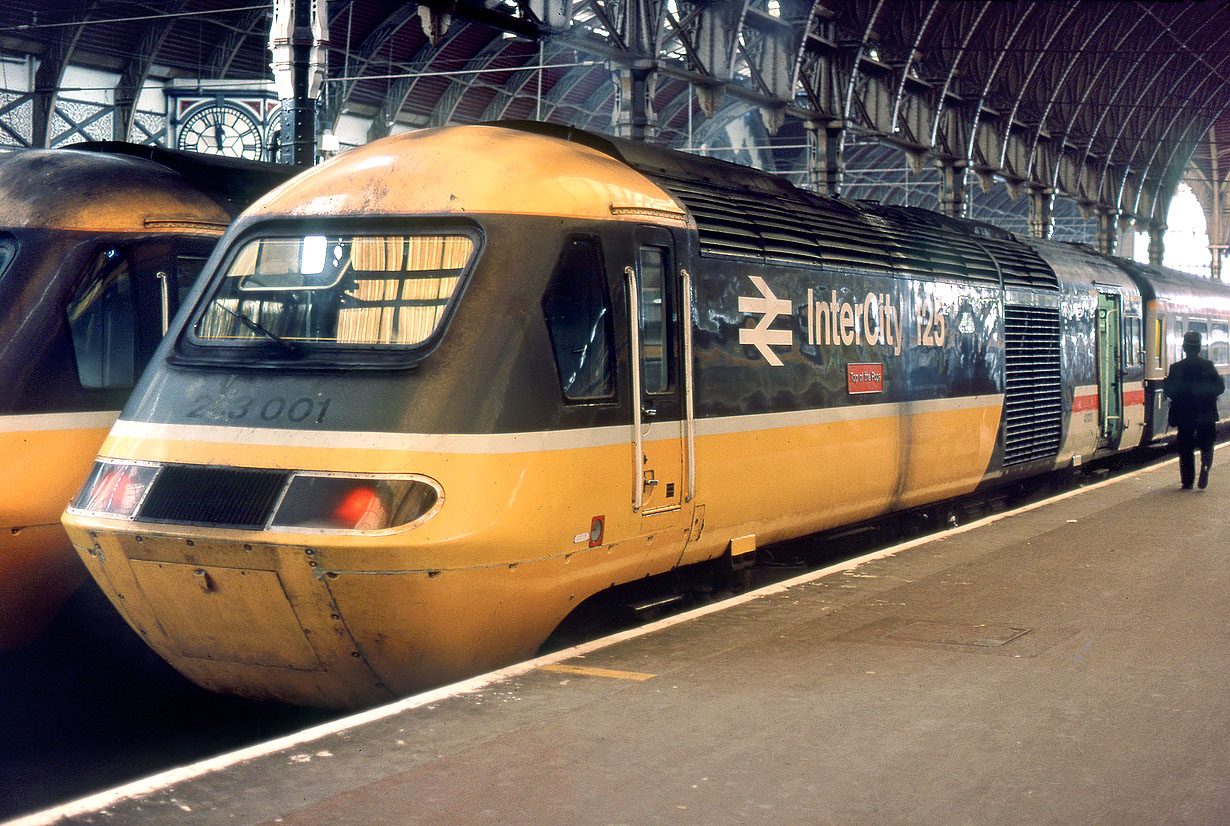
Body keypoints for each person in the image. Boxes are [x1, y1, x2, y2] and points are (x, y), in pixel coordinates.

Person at [1163, 330, 1225, 489]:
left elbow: (1169, 390)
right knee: (1207, 443)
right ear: (1199, 348)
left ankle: (1187, 481)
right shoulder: (1208, 366)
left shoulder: (1176, 368)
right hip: (1206, 413)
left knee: (1185, 447)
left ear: (1184, 348)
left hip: (1185, 415)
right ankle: (1205, 467)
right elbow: (1219, 387)